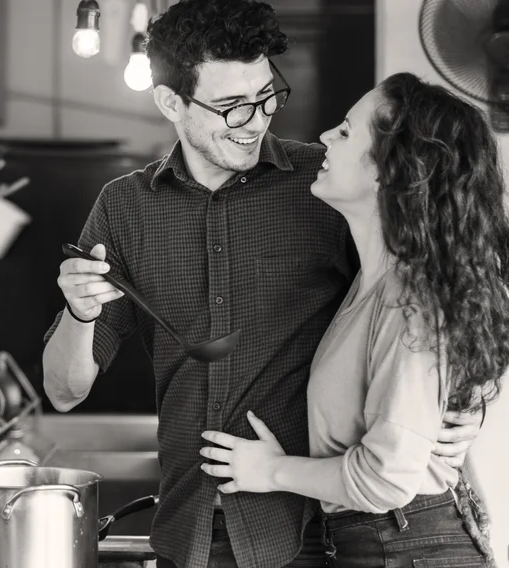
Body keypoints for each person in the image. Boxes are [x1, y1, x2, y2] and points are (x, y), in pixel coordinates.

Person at [42, 2, 483, 566]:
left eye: (266, 95)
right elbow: (63, 390)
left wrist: (470, 399)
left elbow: (445, 280)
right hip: (191, 532)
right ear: (170, 102)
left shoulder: (326, 186)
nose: (255, 120)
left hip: (317, 531)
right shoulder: (124, 208)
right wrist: (80, 314)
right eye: (231, 107)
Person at [200, 72, 508, 567]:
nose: (325, 136)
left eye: (345, 131)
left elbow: (385, 478)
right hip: (388, 542)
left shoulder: (408, 298)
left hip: (403, 545)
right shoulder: (373, 284)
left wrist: (272, 472)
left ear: (388, 171)